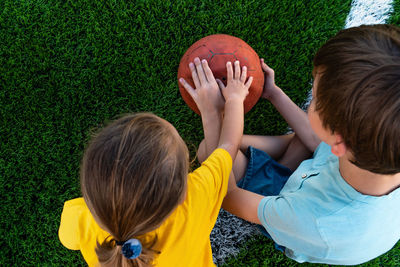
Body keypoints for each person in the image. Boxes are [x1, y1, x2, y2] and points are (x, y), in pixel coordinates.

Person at [199, 24, 400, 265]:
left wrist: (216, 112)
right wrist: (274, 94)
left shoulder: (309, 218)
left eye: (315, 100)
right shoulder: (377, 147)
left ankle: (277, 160)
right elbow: (317, 142)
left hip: (296, 214)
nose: (310, 102)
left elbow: (228, 196)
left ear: (339, 142)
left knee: (206, 150)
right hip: (324, 181)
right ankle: (283, 158)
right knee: (304, 140)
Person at [58, 58, 253, 266]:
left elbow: (67, 239)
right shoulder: (195, 199)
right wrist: (229, 102)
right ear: (181, 194)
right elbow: (228, 147)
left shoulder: (80, 219)